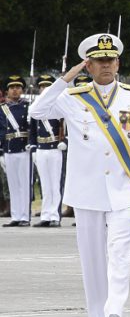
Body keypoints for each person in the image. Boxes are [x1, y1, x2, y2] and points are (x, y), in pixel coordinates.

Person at [29, 33, 130, 317]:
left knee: (119, 250)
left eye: (111, 60)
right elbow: (37, 110)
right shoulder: (72, 97)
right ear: (89, 65)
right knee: (92, 256)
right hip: (87, 188)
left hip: (125, 187)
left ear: (118, 63)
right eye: (99, 61)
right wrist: (67, 78)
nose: (106, 65)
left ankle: (115, 312)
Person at [30, 74, 66, 227]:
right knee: (44, 184)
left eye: (48, 86)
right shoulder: (36, 105)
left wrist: (64, 141)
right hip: (41, 148)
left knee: (55, 183)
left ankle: (55, 215)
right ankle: (46, 214)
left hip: (55, 148)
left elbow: (65, 126)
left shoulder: (59, 105)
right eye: (42, 86)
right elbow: (32, 130)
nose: (44, 89)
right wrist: (33, 148)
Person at [0, 75, 36, 227]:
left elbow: (33, 129)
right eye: (12, 88)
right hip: (8, 149)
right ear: (7, 91)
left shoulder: (29, 107)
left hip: (23, 148)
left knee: (24, 184)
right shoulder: (3, 109)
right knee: (13, 184)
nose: (15, 90)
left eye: (18, 87)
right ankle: (15, 215)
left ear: (22, 89)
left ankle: (25, 216)